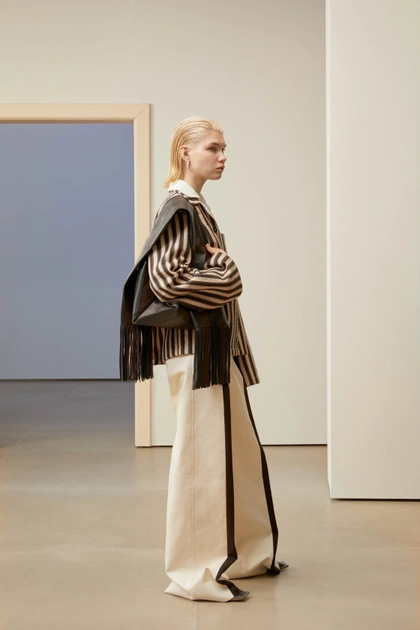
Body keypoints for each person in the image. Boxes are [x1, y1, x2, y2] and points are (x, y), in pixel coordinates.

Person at [126, 116, 289, 602]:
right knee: (202, 459)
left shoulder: (196, 207)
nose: (222, 157)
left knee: (236, 452)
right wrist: (226, 272)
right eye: (213, 148)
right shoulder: (179, 208)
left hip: (215, 349)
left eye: (223, 148)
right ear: (186, 152)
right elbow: (166, 280)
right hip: (197, 351)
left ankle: (247, 554)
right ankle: (194, 573)